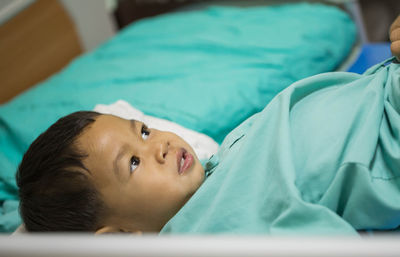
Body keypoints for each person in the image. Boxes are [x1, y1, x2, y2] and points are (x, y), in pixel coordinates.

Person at [17, 16, 400, 234]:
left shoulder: (212, 172)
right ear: (118, 238)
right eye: (133, 163)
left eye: (144, 132)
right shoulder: (210, 231)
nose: (159, 145)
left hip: (380, 90)